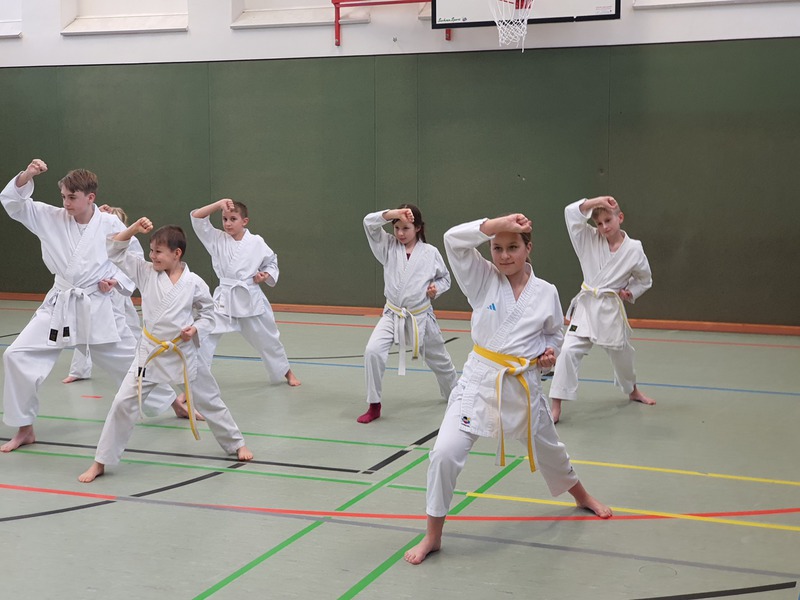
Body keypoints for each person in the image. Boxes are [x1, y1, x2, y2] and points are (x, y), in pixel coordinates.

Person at [404, 213, 612, 565]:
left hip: (522, 386)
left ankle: (582, 496)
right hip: (479, 382)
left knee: (551, 450)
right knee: (443, 454)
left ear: (528, 248)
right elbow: (453, 239)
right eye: (497, 248)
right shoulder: (482, 278)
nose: (504, 256)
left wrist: (549, 354)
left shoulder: (546, 292)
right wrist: (496, 223)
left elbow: (554, 335)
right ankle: (433, 535)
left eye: (513, 247)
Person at [0, 160, 186, 453]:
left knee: (129, 361)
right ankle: (25, 427)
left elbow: (132, 257)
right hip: (60, 304)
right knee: (16, 355)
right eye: (63, 196)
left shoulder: (110, 224)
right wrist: (27, 175)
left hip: (97, 306)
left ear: (90, 197)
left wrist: (116, 280)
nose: (66, 203)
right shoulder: (50, 217)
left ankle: (174, 402)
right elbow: (14, 203)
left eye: (72, 197)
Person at [79, 219, 253, 482]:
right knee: (122, 403)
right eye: (151, 251)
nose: (152, 256)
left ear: (176, 253)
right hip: (149, 354)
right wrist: (134, 229)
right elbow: (114, 249)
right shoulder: (145, 271)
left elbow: (209, 314)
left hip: (183, 353)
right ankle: (101, 461)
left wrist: (195, 329)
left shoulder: (194, 282)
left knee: (210, 400)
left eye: (158, 252)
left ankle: (236, 443)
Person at [61, 204, 201, 420]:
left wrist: (116, 281)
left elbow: (127, 260)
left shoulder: (128, 246)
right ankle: (80, 370)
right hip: (81, 302)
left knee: (132, 355)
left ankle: (172, 401)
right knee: (101, 348)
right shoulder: (77, 234)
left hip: (113, 302)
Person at [549, 196, 654, 424]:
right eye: (599, 223)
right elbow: (570, 213)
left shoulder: (634, 249)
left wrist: (630, 292)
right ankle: (556, 405)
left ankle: (632, 390)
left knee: (622, 355)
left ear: (620, 218)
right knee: (567, 351)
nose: (604, 227)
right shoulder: (587, 239)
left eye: (608, 220)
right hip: (586, 307)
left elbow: (645, 279)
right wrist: (596, 201)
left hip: (610, 309)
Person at [358, 204, 458, 423]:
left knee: (441, 361)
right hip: (392, 314)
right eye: (397, 228)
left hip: (421, 317)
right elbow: (369, 222)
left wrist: (436, 289)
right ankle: (374, 404)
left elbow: (445, 278)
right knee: (372, 351)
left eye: (406, 228)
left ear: (418, 228)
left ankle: (455, 394)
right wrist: (394, 214)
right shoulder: (387, 246)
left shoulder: (430, 253)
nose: (401, 233)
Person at [190, 198, 300, 386]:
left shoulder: (256, 242)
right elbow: (197, 217)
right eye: (225, 219)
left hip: (250, 298)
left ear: (245, 221)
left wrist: (265, 275)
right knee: (205, 337)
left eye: (233, 219)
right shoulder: (216, 239)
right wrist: (218, 204)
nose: (228, 223)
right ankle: (195, 381)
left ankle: (287, 372)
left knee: (268, 338)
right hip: (224, 299)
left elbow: (271, 263)